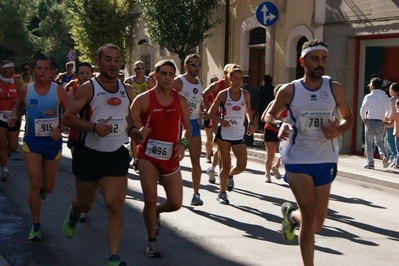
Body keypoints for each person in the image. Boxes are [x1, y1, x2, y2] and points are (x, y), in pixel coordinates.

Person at [265, 39, 353, 266]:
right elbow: (269, 115)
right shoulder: (290, 89)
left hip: (325, 158)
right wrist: (279, 125)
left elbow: (348, 118)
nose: (320, 63)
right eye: (315, 59)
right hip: (297, 158)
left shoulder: (334, 87)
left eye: (324, 59)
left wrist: (338, 130)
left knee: (316, 223)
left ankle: (291, 216)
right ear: (302, 61)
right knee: (310, 213)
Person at [62, 44, 143, 266]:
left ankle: (113, 258)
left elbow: (129, 122)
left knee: (114, 206)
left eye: (117, 60)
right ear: (98, 62)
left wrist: (136, 132)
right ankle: (75, 211)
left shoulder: (127, 90)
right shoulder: (88, 88)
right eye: (108, 59)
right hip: (89, 153)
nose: (113, 64)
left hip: (116, 154)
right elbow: (67, 117)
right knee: (86, 204)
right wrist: (93, 127)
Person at [130, 60, 191, 258]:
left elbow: (188, 127)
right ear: (155, 76)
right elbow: (128, 123)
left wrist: (183, 144)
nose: (167, 77)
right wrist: (138, 132)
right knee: (149, 198)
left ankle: (155, 212)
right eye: (163, 73)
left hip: (171, 156)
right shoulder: (143, 99)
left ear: (174, 77)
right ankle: (151, 242)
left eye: (171, 74)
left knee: (175, 203)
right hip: (147, 155)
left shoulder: (180, 99)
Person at [8, 56, 69, 240]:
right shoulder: (26, 90)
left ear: (51, 72)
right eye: (39, 68)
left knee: (48, 187)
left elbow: (68, 114)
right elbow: (17, 108)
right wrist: (13, 116)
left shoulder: (58, 91)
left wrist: (61, 128)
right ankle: (36, 225)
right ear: (34, 71)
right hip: (32, 141)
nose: (42, 71)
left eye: (46, 68)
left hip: (52, 142)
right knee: (34, 183)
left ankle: (44, 189)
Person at [207, 65, 254, 205]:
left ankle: (230, 176)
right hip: (224, 134)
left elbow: (248, 111)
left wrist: (250, 123)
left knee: (242, 166)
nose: (239, 81)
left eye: (241, 79)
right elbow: (210, 112)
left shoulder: (246, 94)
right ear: (229, 79)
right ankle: (222, 193)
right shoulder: (223, 94)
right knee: (225, 165)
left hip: (239, 133)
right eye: (236, 78)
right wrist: (221, 120)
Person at [172, 54, 204, 206]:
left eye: (199, 64)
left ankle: (196, 194)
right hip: (177, 123)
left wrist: (204, 109)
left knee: (196, 161)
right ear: (186, 66)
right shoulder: (179, 82)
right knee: (174, 159)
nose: (197, 67)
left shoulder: (200, 83)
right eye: (193, 64)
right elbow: (167, 98)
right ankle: (171, 192)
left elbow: (199, 101)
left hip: (193, 123)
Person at [65, 62, 94, 222]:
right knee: (82, 173)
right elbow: (64, 115)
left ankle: (83, 206)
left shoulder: (99, 93)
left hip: (95, 138)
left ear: (92, 74)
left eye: (88, 73)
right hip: (76, 138)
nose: (85, 75)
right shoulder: (71, 94)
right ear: (77, 76)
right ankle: (81, 208)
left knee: (92, 175)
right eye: (82, 73)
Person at [202, 64, 234, 183]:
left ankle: (213, 168)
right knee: (223, 145)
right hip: (217, 119)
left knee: (223, 147)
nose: (228, 75)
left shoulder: (235, 86)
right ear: (224, 73)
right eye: (227, 72)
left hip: (230, 120)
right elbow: (204, 94)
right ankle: (224, 174)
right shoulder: (217, 85)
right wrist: (210, 107)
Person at [360, 77, 392, 169]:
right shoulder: (386, 97)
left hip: (370, 121)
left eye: (370, 84)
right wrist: (386, 118)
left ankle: (370, 163)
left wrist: (364, 118)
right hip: (381, 121)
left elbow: (363, 109)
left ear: (372, 86)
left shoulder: (368, 96)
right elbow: (389, 110)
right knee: (379, 141)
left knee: (369, 143)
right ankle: (384, 156)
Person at [0, 60, 21, 180]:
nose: (12, 71)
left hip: (13, 116)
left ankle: (7, 150)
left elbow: (23, 96)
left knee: (13, 147)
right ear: (3, 70)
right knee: (1, 143)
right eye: (9, 69)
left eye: (13, 68)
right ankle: (5, 169)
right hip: (0, 116)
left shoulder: (16, 81)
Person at [261, 84, 284, 183]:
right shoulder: (273, 104)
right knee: (271, 155)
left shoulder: (289, 105)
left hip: (282, 131)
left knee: (285, 154)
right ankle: (267, 174)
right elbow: (263, 117)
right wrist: (275, 120)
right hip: (270, 130)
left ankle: (275, 167)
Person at [204, 77, 219, 163]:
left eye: (217, 82)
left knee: (218, 139)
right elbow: (203, 103)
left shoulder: (221, 93)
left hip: (218, 118)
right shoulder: (207, 94)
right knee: (209, 138)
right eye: (214, 82)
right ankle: (208, 155)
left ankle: (210, 148)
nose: (216, 84)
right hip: (209, 117)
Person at [242, 75, 259, 146]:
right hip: (251, 111)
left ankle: (245, 139)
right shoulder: (255, 90)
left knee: (244, 124)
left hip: (243, 111)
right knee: (250, 123)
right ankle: (250, 140)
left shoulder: (241, 90)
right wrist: (254, 110)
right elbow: (258, 101)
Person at [386, 82, 399, 166]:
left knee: (390, 141)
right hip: (396, 125)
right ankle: (394, 157)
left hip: (391, 124)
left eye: (390, 89)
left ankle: (394, 157)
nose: (389, 90)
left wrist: (384, 122)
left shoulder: (390, 100)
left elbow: (387, 113)